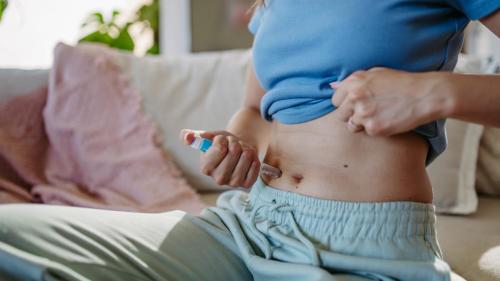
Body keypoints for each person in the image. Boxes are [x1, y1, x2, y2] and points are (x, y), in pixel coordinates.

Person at [0, 1, 499, 280]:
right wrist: (233, 144)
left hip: (366, 246)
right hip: (245, 228)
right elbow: (255, 111)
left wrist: (437, 92)